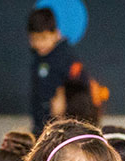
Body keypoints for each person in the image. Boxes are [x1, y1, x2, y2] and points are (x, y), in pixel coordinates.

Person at [28, 7, 79, 136]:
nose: (39, 44)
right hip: (41, 123)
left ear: (56, 34)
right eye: (35, 39)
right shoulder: (38, 58)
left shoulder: (64, 57)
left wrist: (63, 98)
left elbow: (77, 89)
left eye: (43, 38)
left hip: (62, 125)